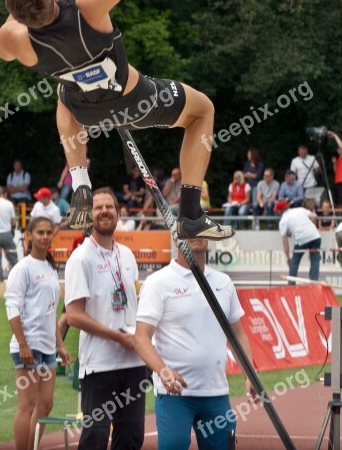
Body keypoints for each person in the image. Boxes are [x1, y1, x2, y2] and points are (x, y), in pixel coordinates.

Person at [0, 0, 233, 242]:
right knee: (203, 110)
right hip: (137, 99)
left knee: (63, 94)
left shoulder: (18, 41)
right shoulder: (89, 9)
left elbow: (7, 34)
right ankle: (191, 212)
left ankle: (80, 179)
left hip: (86, 113)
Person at [134, 237, 257, 450]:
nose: (196, 234)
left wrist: (250, 374)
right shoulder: (158, 282)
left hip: (216, 394)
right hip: (175, 396)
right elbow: (141, 337)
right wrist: (163, 371)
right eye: (188, 228)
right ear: (175, 236)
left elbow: (238, 335)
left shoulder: (223, 282)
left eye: (200, 228)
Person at [65, 187, 146, 449]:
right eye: (98, 208)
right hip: (99, 364)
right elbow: (73, 315)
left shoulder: (128, 255)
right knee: (95, 437)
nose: (104, 212)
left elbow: (134, 303)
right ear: (89, 216)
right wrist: (116, 336)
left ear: (118, 213)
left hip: (133, 362)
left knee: (131, 436)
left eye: (109, 207)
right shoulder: (80, 259)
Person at [4, 217, 71, 450]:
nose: (44, 236)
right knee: (27, 405)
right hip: (28, 347)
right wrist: (22, 344)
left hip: (47, 348)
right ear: (29, 236)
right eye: (40, 232)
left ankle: (32, 446)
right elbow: (12, 308)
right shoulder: (22, 268)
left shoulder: (51, 268)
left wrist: (60, 345)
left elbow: (50, 312)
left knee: (45, 405)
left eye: (48, 232)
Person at [275, 199, 321, 284]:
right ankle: (314, 283)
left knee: (294, 262)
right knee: (315, 260)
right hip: (315, 236)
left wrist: (287, 257)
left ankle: (291, 285)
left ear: (279, 211)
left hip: (302, 238)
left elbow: (285, 241)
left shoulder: (283, 221)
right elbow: (314, 216)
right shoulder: (300, 209)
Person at [328, 131, 342, 205]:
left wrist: (335, 135)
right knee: (336, 201)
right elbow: (335, 171)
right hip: (337, 182)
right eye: (338, 149)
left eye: (339, 148)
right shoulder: (339, 158)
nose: (338, 150)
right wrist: (334, 163)